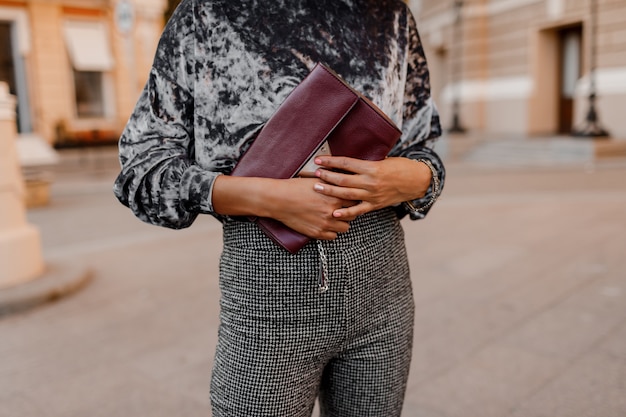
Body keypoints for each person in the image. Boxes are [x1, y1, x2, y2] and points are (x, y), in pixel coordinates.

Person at [113, 0, 445, 415]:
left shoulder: (390, 14)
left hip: (384, 286)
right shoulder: (208, 14)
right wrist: (268, 197)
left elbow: (424, 148)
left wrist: (411, 178)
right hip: (266, 294)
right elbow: (141, 171)